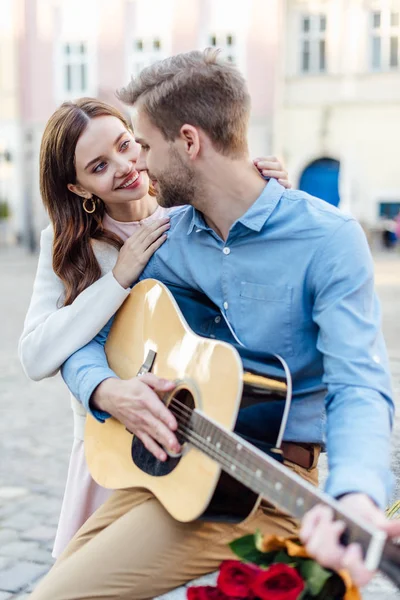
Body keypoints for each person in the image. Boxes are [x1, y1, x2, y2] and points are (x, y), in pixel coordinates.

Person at [30, 49, 397, 600]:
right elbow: (90, 341)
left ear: (190, 141)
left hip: (269, 487)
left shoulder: (327, 238)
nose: (139, 169)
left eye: (142, 146)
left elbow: (360, 386)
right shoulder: (168, 237)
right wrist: (107, 390)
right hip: (176, 462)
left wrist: (359, 496)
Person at [19, 97, 289, 557]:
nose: (125, 167)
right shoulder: (69, 245)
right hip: (113, 446)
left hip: (202, 427)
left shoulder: (189, 206)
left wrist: (272, 198)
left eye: (127, 145)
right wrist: (119, 278)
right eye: (99, 166)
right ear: (80, 188)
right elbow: (36, 355)